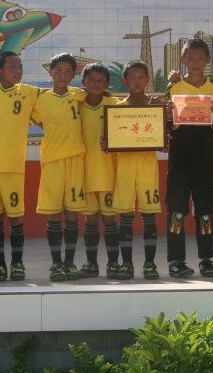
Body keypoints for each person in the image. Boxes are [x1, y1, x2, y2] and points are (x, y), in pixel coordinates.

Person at [0, 51, 42, 282]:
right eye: (12, 66)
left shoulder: (29, 92)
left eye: (20, 66)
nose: (18, 70)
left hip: (13, 166)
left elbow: (55, 98)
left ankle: (17, 264)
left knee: (15, 217)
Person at [164, 39, 213, 278]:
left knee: (205, 208)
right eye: (191, 58)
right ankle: (176, 260)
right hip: (180, 150)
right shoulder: (174, 86)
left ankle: (206, 259)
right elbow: (167, 122)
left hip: (204, 149)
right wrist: (169, 117)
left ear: (208, 60)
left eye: (200, 58)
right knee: (177, 208)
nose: (196, 62)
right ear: (183, 59)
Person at [33, 53, 88, 281]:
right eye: (58, 70)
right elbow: (38, 120)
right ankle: (56, 264)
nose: (63, 75)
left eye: (68, 71)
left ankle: (70, 263)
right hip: (52, 161)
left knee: (72, 213)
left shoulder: (80, 95)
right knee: (54, 213)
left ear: (74, 74)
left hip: (75, 159)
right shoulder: (40, 99)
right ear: (50, 72)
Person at [110, 60, 163, 280]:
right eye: (132, 77)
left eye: (141, 77)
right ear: (125, 81)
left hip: (147, 164)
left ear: (148, 80)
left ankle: (150, 264)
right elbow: (109, 137)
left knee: (149, 214)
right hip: (124, 165)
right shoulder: (117, 109)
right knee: (126, 215)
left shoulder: (155, 107)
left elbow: (164, 135)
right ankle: (127, 264)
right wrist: (106, 142)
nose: (137, 81)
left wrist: (165, 138)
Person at [77, 63, 122, 278]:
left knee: (110, 219)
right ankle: (91, 263)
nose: (96, 84)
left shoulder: (115, 105)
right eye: (91, 80)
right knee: (91, 219)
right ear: (83, 82)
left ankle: (113, 263)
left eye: (101, 80)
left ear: (107, 84)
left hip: (109, 172)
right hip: (84, 173)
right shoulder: (76, 105)